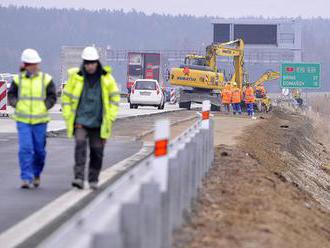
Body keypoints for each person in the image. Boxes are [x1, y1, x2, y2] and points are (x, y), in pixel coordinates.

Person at [61, 46, 120, 190]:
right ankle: (79, 177)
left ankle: (93, 179)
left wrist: (110, 117)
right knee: (80, 147)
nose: (90, 66)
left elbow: (114, 99)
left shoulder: (106, 79)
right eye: (87, 63)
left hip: (98, 123)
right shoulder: (76, 78)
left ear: (97, 62)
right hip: (81, 121)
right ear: (84, 63)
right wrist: (69, 116)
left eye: (92, 62)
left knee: (97, 152)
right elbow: (66, 98)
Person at [8, 49, 57, 189]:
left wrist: (45, 106)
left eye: (35, 63)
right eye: (30, 64)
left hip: (40, 121)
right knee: (25, 148)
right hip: (23, 121)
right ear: (24, 65)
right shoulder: (18, 80)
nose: (33, 66)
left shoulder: (45, 79)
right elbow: (11, 95)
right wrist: (16, 104)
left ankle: (36, 174)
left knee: (39, 151)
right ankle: (26, 178)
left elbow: (52, 96)